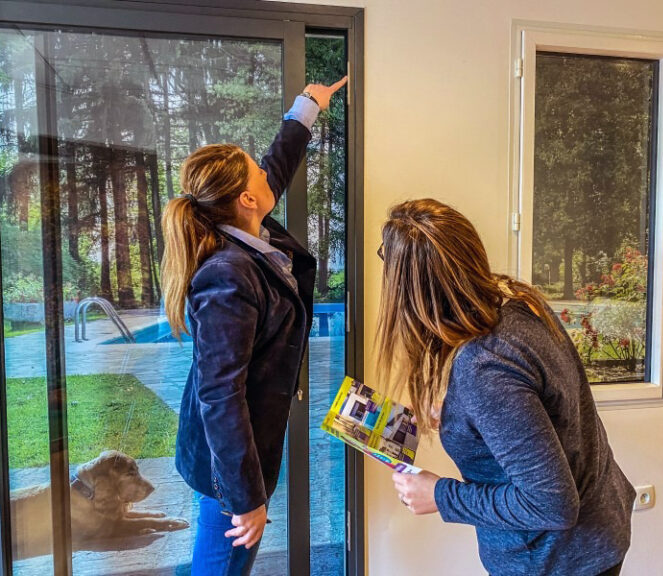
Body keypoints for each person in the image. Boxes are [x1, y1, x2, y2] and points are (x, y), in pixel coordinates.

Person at [376, 199, 636, 576]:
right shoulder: (519, 307)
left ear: (413, 293)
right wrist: (454, 412)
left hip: (559, 560)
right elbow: (544, 412)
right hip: (596, 533)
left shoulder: (484, 366)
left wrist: (440, 495)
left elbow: (552, 504)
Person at [161, 77, 347, 576]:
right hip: (228, 468)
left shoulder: (247, 230)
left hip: (236, 456)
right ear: (245, 198)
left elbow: (274, 169)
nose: (266, 176)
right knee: (223, 562)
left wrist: (307, 108)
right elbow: (220, 394)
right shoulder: (226, 274)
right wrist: (244, 499)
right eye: (254, 174)